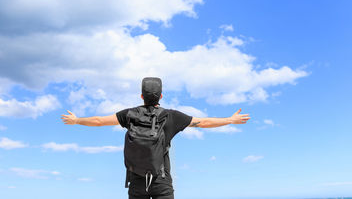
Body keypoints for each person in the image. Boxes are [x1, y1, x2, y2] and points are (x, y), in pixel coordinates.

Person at [61, 77, 251, 199]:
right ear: (161, 95)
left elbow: (98, 121)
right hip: (161, 180)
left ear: (141, 96)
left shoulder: (129, 114)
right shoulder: (171, 116)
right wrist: (230, 120)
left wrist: (76, 120)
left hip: (136, 179)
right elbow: (203, 123)